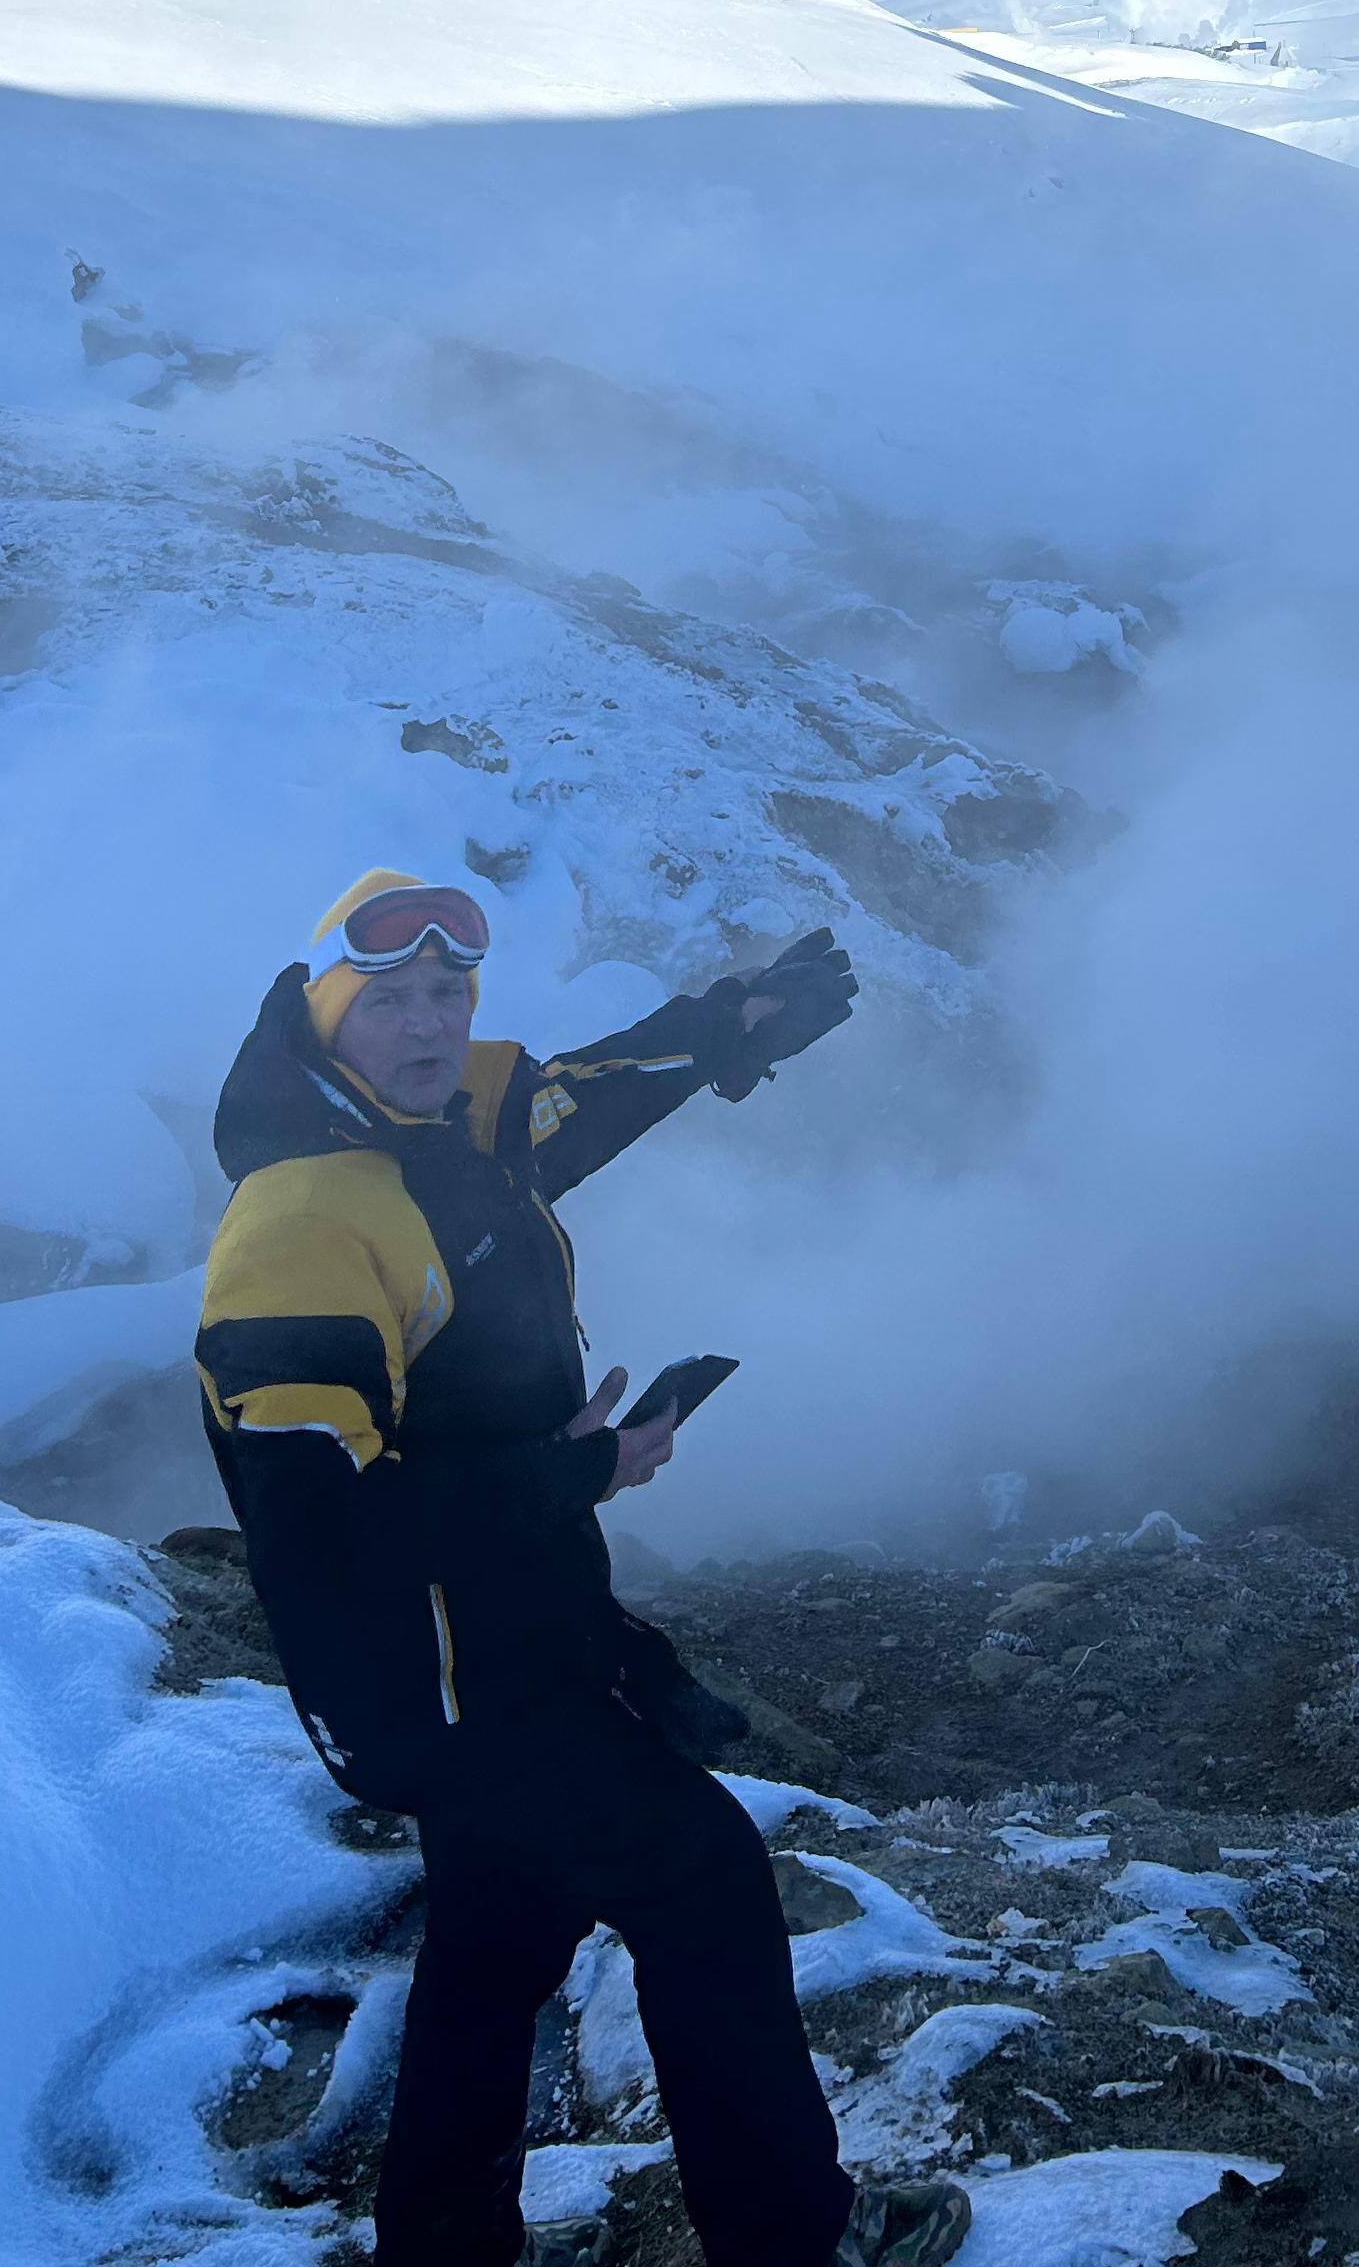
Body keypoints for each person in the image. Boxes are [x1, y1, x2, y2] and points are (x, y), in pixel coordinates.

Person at [196, 870, 964, 2267]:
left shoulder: (442, 1129)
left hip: (497, 1636)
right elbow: (328, 1531)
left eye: (448, 994)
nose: (427, 1025)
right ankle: (795, 2239)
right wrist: (585, 1470)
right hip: (433, 1684)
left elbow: (571, 1103)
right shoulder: (303, 1219)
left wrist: (723, 1028)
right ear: (324, 1013)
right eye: (388, 999)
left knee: (500, 1937)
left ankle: (444, 2247)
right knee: (705, 1877)